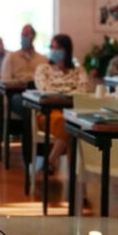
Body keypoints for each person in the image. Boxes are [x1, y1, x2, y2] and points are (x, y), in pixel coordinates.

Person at [34, 34, 91, 175]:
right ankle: (72, 176)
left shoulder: (78, 71)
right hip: (49, 112)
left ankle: (51, 160)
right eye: (52, 47)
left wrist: (61, 92)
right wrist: (68, 92)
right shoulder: (43, 69)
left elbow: (83, 90)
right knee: (70, 126)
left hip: (74, 112)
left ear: (67, 50)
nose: (54, 51)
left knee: (73, 123)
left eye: (58, 48)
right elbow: (45, 89)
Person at [0, 25, 48, 117]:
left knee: (42, 103)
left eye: (26, 35)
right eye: (22, 35)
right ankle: (30, 126)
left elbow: (46, 81)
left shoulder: (43, 59)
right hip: (18, 93)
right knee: (27, 104)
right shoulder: (11, 57)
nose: (23, 37)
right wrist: (20, 83)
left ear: (33, 36)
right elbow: (5, 81)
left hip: (37, 92)